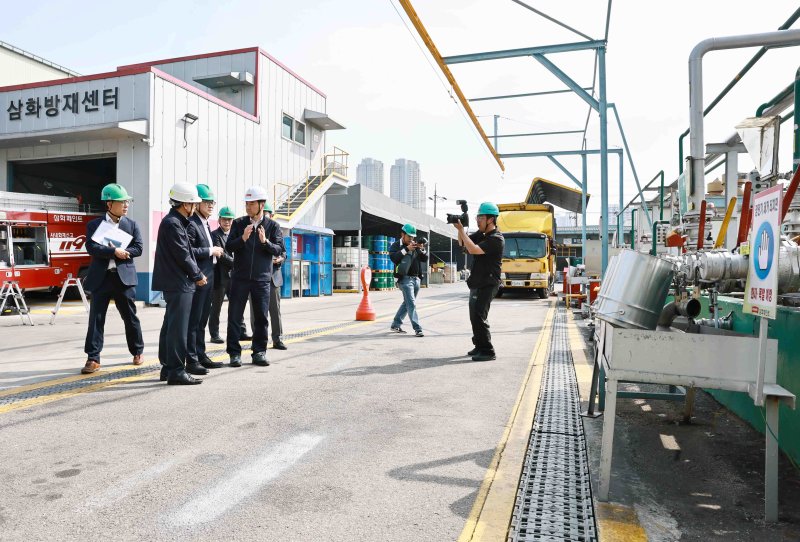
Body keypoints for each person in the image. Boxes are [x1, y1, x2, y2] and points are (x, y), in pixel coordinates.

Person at [81, 183, 145, 374]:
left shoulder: (131, 225)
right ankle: (93, 358)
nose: (126, 205)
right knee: (96, 319)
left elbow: (139, 248)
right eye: (122, 202)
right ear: (109, 204)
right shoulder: (94, 225)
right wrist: (113, 251)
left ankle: (137, 351)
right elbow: (91, 248)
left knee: (130, 317)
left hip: (123, 278)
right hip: (101, 278)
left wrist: (125, 252)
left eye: (127, 202)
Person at [152, 183, 206, 385]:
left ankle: (167, 367)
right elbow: (183, 254)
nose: (195, 207)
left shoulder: (175, 221)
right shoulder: (174, 223)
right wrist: (197, 274)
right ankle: (176, 370)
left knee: (171, 325)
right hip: (178, 282)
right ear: (185, 204)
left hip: (175, 282)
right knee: (178, 328)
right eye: (193, 203)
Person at [225, 186, 283, 367]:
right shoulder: (239, 223)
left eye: (251, 204)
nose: (248, 207)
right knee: (234, 316)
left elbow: (280, 249)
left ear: (261, 204)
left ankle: (259, 352)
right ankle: (234, 354)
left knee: (261, 318)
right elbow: (229, 247)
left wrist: (265, 242)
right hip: (240, 278)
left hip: (262, 280)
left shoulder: (273, 226)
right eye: (246, 203)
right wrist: (242, 238)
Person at [453, 202, 504, 361]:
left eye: (481, 217)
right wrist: (459, 230)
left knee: (480, 316)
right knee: (474, 317)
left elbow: (474, 249)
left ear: (491, 219)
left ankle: (488, 351)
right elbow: (463, 244)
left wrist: (462, 230)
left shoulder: (496, 239)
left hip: (488, 283)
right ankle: (479, 346)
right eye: (477, 217)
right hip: (477, 281)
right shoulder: (481, 235)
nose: (478, 220)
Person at [185, 184, 225, 373]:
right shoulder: (191, 223)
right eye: (206, 202)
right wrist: (211, 250)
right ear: (196, 203)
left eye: (212, 202)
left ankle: (201, 355)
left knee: (202, 321)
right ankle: (192, 359)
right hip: (198, 278)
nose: (210, 205)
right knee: (194, 322)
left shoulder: (205, 222)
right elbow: (189, 251)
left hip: (209, 277)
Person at [209, 206, 251, 344]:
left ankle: (241, 331)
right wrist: (237, 263)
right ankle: (214, 334)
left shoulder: (236, 234)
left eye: (229, 220)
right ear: (219, 220)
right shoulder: (214, 235)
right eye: (224, 219)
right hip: (220, 277)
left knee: (237, 304)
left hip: (235, 276)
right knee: (216, 306)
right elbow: (220, 255)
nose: (227, 222)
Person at [388, 223, 427, 337]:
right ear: (402, 234)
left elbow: (424, 259)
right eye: (409, 236)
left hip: (416, 279)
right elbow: (394, 258)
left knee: (407, 303)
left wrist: (422, 249)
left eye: (413, 237)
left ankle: (395, 324)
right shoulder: (396, 246)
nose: (411, 239)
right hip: (404, 280)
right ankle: (417, 328)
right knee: (411, 304)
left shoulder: (414, 246)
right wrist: (406, 249)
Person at [266, 207, 287, 350]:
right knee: (256, 312)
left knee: (275, 310)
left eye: (267, 215)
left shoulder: (276, 230)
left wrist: (280, 259)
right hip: (257, 277)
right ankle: (258, 338)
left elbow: (284, 252)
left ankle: (277, 339)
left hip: (274, 277)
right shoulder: (252, 229)